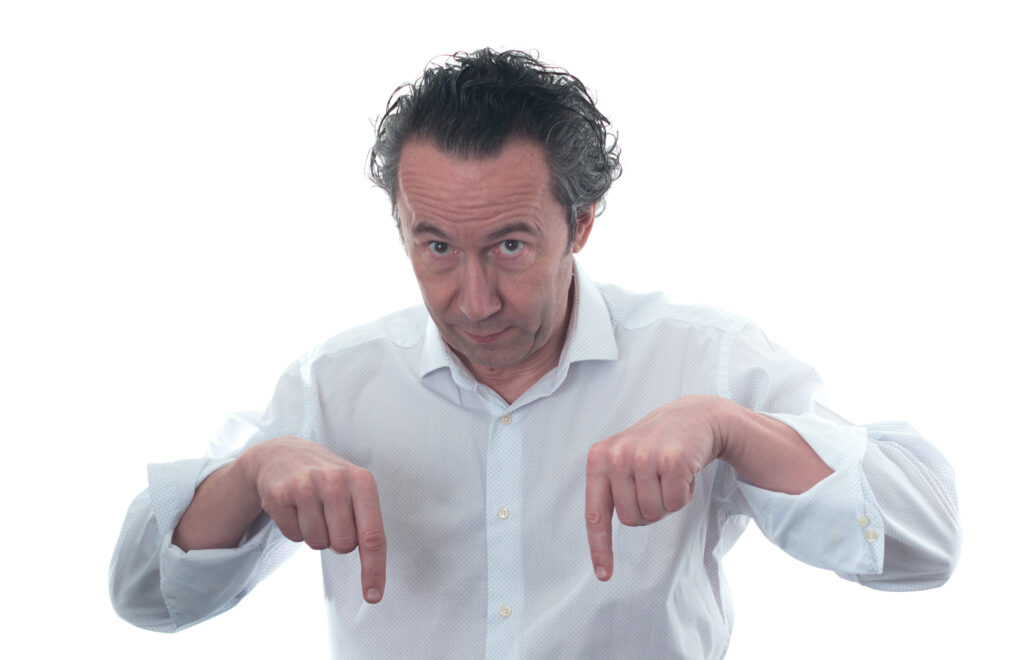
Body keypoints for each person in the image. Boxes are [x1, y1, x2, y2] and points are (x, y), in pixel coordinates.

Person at [109, 49, 961, 658]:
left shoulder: (705, 362)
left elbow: (925, 547)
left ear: (581, 224)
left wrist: (730, 428)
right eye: (436, 248)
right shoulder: (332, 385)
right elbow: (145, 597)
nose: (474, 299)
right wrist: (254, 473)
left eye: (510, 246)